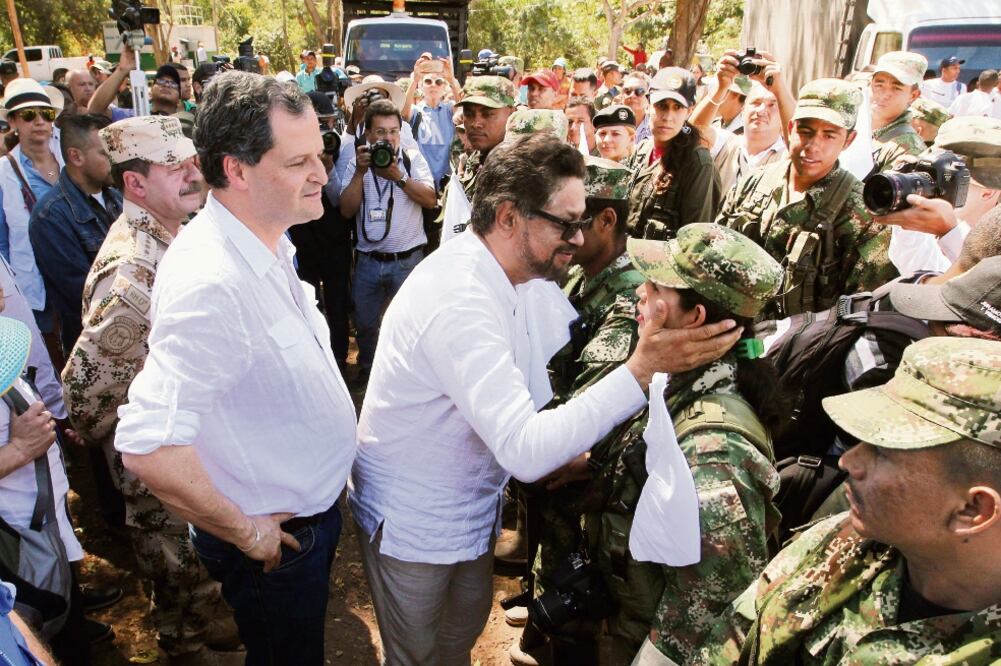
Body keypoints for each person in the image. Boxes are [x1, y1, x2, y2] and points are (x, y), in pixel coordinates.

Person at [348, 133, 743, 665]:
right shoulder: (460, 299)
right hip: (418, 524)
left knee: (453, 643)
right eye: (566, 223)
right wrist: (641, 370)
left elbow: (536, 401)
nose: (579, 239)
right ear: (509, 217)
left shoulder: (512, 278)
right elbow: (526, 450)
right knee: (418, 657)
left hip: (466, 511)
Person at [113, 71, 357, 664]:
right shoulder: (212, 281)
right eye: (298, 162)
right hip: (278, 544)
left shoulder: (267, 239)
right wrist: (248, 533)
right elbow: (148, 446)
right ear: (236, 170)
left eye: (320, 154)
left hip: (304, 523)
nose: (322, 175)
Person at [692, 336, 1001, 665]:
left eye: (882, 452)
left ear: (972, 510)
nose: (848, 462)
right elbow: (731, 641)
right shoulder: (837, 543)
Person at [60, 115, 239, 665]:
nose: (193, 174)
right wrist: (129, 437)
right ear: (135, 183)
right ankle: (186, 647)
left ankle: (205, 626)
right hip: (156, 455)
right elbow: (82, 395)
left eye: (191, 162)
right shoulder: (135, 270)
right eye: (173, 167)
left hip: (186, 441)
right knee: (175, 560)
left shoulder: (175, 235)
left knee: (195, 558)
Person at [598, 225, 785, 666]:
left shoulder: (715, 451)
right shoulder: (679, 379)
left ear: (695, 317)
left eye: (655, 287)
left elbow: (709, 607)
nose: (639, 294)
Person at [510, 156, 642, 666]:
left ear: (606, 221)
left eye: (573, 222)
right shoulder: (579, 277)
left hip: (581, 472)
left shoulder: (626, 298)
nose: (564, 234)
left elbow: (594, 403)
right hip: (554, 456)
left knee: (577, 601)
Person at [717, 78, 897, 318]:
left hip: (803, 340)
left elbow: (864, 310)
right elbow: (714, 251)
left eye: (829, 135)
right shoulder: (755, 182)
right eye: (806, 131)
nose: (813, 145)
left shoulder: (862, 215)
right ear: (791, 128)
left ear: (848, 140)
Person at [340, 98, 436, 384]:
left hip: (406, 261)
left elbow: (430, 200)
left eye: (394, 131)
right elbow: (346, 210)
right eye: (380, 132)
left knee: (411, 324)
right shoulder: (358, 164)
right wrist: (360, 173)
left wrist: (399, 177)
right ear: (368, 134)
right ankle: (369, 371)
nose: (388, 138)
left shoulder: (411, 159)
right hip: (368, 261)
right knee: (365, 324)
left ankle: (408, 378)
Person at [28, 113, 120, 355]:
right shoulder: (49, 217)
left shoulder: (117, 197)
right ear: (76, 156)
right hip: (95, 351)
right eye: (105, 152)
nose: (116, 158)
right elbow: (84, 294)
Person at [625, 67, 721, 241]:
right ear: (648, 105)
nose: (668, 116)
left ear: (689, 111)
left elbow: (695, 241)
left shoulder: (698, 163)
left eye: (677, 108)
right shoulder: (642, 150)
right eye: (662, 106)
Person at [0, 78, 63, 335]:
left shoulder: (71, 157)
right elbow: (2, 243)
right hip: (35, 287)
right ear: (13, 121)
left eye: (46, 114)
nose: (39, 121)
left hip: (77, 273)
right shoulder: (3, 172)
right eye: (28, 115)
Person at [692, 50, 792, 193]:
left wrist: (780, 89)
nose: (761, 110)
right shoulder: (727, 144)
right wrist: (721, 88)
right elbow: (692, 133)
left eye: (772, 105)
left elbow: (801, 142)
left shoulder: (786, 155)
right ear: (743, 110)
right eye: (756, 103)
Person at [439, 76, 516, 242]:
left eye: (488, 114)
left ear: (511, 113)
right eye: (469, 113)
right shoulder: (475, 160)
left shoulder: (521, 170)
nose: (476, 123)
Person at [402, 57, 460, 189]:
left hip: (447, 180)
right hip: (422, 178)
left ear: (444, 88)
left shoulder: (449, 109)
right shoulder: (416, 111)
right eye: (428, 81)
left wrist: (451, 79)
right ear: (421, 86)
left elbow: (464, 109)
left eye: (438, 82)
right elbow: (404, 113)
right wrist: (415, 80)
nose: (433, 85)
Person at [869, 51, 927, 172]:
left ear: (913, 95)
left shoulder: (910, 148)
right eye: (879, 85)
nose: (885, 94)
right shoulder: (855, 128)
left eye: (896, 88)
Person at [619, 73, 651, 143]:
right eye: (627, 91)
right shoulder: (611, 126)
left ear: (648, 97)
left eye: (639, 91)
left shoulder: (656, 129)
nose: (632, 95)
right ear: (621, 97)